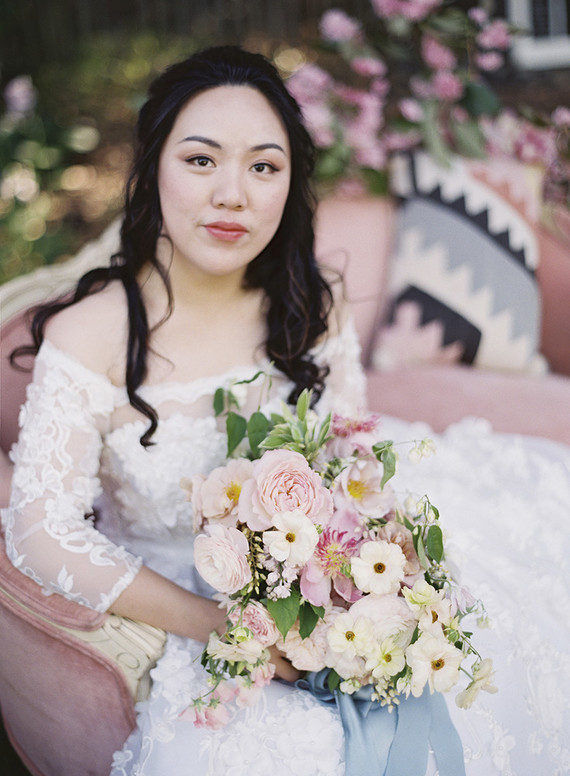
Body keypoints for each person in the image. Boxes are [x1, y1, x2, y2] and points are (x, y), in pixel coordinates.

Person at [2, 45, 570, 776]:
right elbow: (39, 532)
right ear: (150, 171)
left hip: (319, 571)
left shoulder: (308, 305)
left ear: (289, 183)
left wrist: (351, 589)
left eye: (263, 166)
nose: (232, 194)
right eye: (201, 160)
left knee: (493, 643)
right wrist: (221, 624)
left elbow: (350, 453)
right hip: (191, 598)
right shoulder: (91, 332)